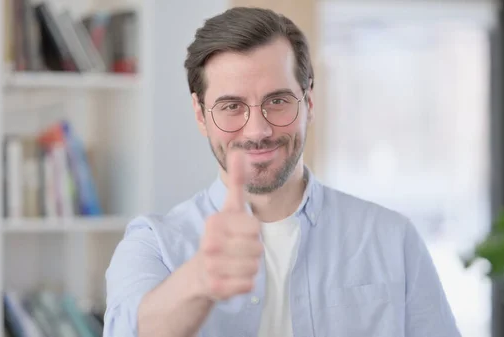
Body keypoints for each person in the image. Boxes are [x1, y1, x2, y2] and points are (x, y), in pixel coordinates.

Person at [103, 6, 461, 337]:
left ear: (308, 102)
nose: (258, 130)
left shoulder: (392, 239)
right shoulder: (153, 245)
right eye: (231, 106)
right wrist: (201, 278)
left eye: (277, 101)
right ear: (200, 114)